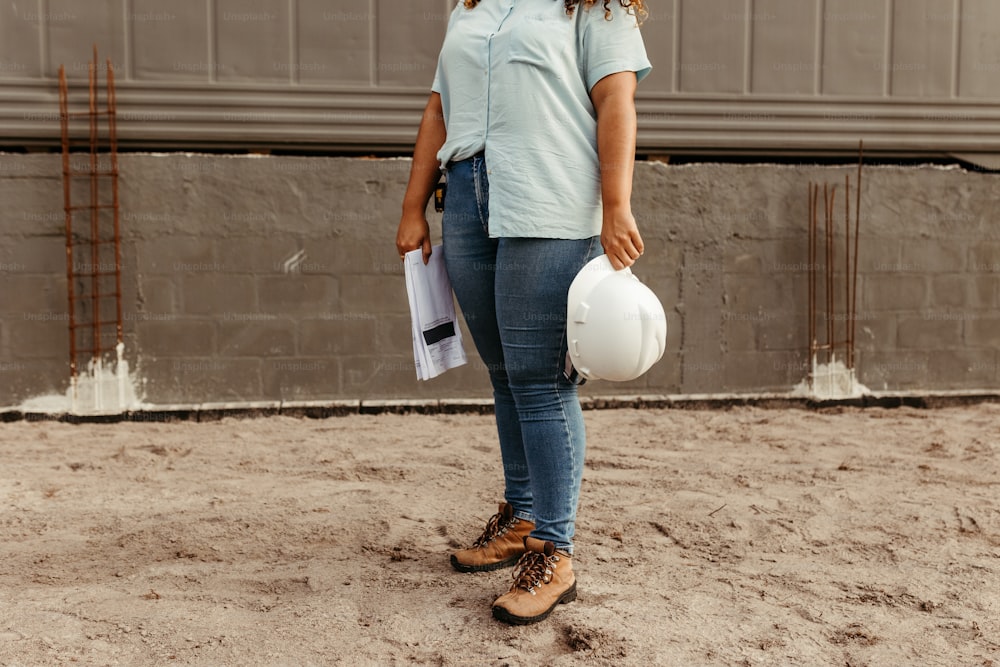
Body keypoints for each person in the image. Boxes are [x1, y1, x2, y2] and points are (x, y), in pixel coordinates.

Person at [395, 0, 650, 625]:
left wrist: (616, 204)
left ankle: (553, 551)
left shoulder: (598, 8)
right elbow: (438, 109)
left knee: (540, 381)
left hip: (551, 204)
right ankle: (523, 513)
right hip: (468, 205)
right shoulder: (471, 8)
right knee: (505, 372)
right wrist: (412, 207)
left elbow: (617, 102)